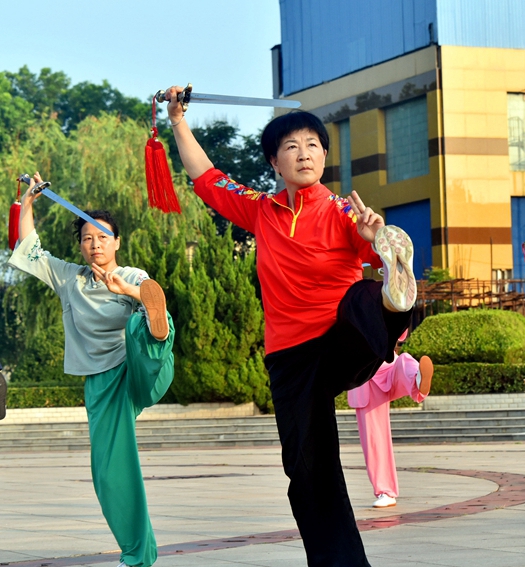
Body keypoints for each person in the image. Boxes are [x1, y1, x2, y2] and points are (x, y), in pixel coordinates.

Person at [163, 86, 417, 566]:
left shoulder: (344, 211)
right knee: (306, 467)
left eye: (314, 145)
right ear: (275, 163)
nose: (305, 154)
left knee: (368, 297)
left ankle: (394, 304)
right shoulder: (261, 209)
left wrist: (376, 238)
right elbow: (206, 176)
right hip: (291, 357)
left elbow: (368, 243)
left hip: (340, 337)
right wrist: (177, 120)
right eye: (292, 147)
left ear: (325, 156)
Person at [6, 173, 174, 567]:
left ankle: (156, 329)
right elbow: (29, 248)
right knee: (109, 471)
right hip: (104, 382)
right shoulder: (69, 279)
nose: (95, 244)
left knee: (143, 319)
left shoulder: (134, 276)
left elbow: (146, 290)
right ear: (80, 245)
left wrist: (130, 293)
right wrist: (29, 200)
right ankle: (138, 554)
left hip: (139, 367)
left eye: (103, 236)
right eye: (88, 238)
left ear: (117, 242)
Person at [348, 332, 434, 508]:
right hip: (366, 376)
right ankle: (385, 491)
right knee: (374, 440)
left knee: (405, 361)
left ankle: (418, 380)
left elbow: (401, 330)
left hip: (387, 365)